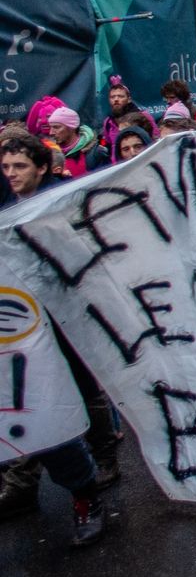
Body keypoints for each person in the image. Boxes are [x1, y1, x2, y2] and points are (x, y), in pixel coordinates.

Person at [0, 135, 115, 545]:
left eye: (19, 166)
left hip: (38, 328)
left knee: (48, 413)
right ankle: (21, 487)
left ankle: (86, 494)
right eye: (7, 167)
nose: (12, 174)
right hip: (12, 329)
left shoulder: (45, 207)